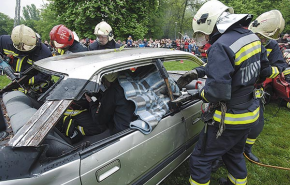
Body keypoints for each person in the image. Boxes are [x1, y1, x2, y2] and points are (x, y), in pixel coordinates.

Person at [176, 1, 277, 184]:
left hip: (228, 119)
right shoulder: (250, 37)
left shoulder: (220, 46)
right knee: (234, 154)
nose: (204, 37)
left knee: (201, 159)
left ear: (210, 25)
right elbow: (263, 71)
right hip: (249, 112)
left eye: (203, 33)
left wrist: (198, 94)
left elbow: (217, 93)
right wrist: (198, 72)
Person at [245, 10, 288, 162]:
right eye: (260, 36)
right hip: (236, 90)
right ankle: (221, 156)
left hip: (256, 90)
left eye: (265, 37)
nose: (262, 40)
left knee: (257, 124)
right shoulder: (243, 40)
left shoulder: (272, 44)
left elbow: (281, 66)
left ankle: (246, 149)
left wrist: (268, 71)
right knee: (228, 127)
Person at [62, 72, 136, 142]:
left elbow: (99, 119)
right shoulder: (130, 82)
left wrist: (91, 102)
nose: (102, 83)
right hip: (133, 122)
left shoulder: (112, 92)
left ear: (107, 80)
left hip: (122, 134)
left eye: (103, 80)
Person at [0, 24, 52, 95]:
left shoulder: (45, 53)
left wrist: (24, 79)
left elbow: (44, 74)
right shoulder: (4, 42)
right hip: (17, 89)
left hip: (38, 90)